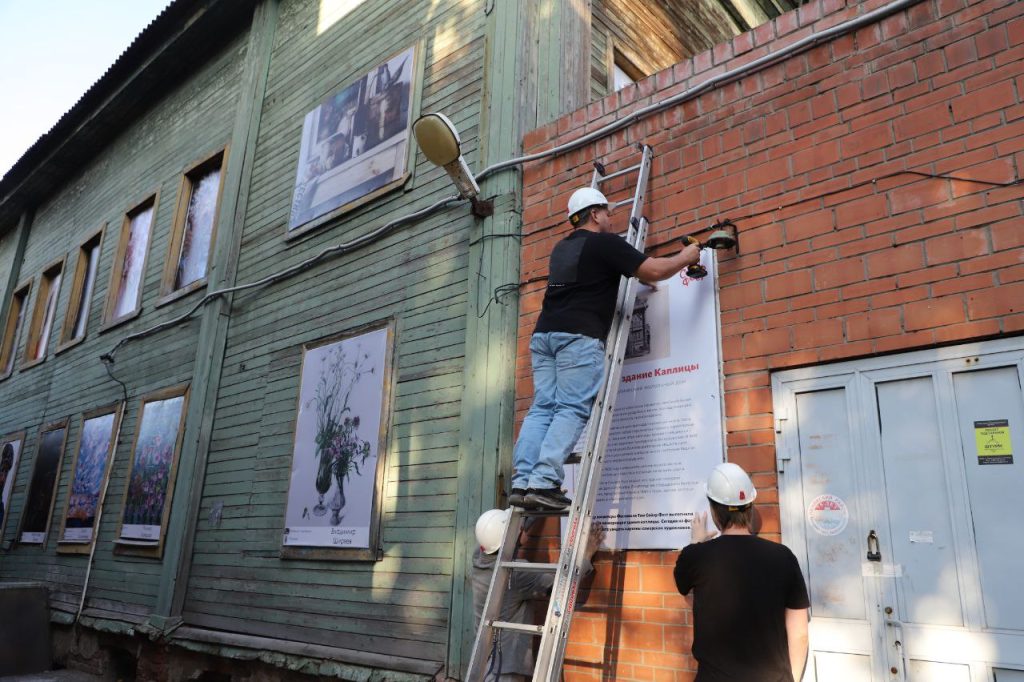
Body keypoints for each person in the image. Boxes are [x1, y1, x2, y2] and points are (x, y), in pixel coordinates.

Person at [510, 187, 702, 510]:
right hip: (577, 337)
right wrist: (686, 257)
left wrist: (639, 280)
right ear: (596, 214)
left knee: (543, 408)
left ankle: (522, 482)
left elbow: (592, 280)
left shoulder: (562, 249)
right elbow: (653, 269)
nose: (611, 219)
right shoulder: (605, 243)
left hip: (544, 336)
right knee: (570, 408)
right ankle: (543, 482)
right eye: (608, 213)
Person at [674, 463, 810, 682]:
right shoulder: (783, 556)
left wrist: (696, 542)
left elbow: (684, 587)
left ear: (713, 510)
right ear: (750, 507)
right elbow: (800, 634)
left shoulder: (696, 557)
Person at [471, 508, 604, 681]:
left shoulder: (479, 558)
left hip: (483, 661)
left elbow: (502, 534)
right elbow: (562, 587)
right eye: (518, 528)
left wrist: (540, 505)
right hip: (504, 671)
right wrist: (586, 555)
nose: (522, 528)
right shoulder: (516, 572)